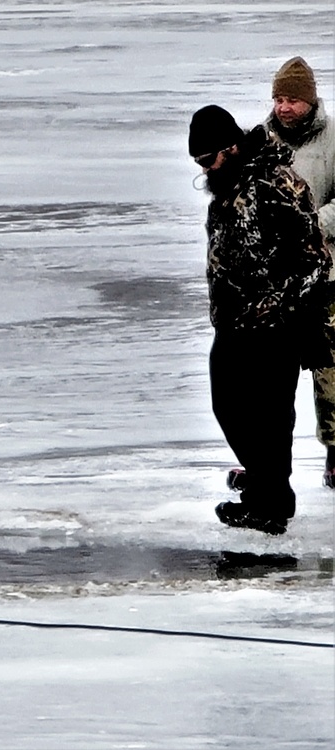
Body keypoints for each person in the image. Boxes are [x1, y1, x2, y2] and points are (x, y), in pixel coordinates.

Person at [188, 104, 329, 535]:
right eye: (197, 163)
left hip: (274, 325)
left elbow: (314, 258)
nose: (204, 169)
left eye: (207, 159)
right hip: (233, 321)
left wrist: (285, 308)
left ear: (230, 148)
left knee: (269, 417)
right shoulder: (230, 183)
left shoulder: (274, 183)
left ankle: (270, 505)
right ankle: (264, 482)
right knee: (228, 406)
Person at [264, 57, 335, 488]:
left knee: (331, 373)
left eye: (291, 99)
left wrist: (313, 225)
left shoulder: (334, 139)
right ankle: (269, 464)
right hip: (278, 281)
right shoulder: (261, 140)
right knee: (272, 377)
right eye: (278, 98)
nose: (283, 107)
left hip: (327, 276)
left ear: (309, 102)